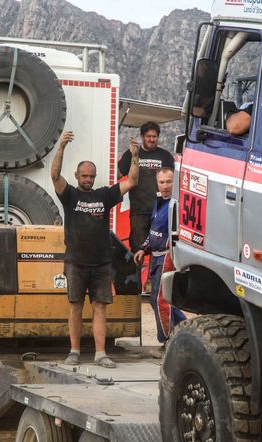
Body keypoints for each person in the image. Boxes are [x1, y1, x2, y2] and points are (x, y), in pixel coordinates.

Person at [51, 130, 139, 368]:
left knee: (100, 308)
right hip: (75, 262)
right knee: (75, 307)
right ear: (77, 176)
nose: (88, 180)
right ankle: (74, 351)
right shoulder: (69, 195)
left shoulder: (105, 195)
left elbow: (131, 181)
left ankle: (101, 354)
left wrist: (135, 156)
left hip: (101, 264)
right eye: (84, 176)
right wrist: (61, 147)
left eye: (91, 176)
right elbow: (54, 174)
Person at [133, 168, 186, 354]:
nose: (165, 186)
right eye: (162, 182)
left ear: (175, 181)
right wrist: (143, 248)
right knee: (158, 301)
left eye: (169, 181)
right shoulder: (159, 201)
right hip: (155, 257)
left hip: (167, 255)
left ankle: (168, 343)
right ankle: (184, 331)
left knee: (160, 300)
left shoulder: (176, 203)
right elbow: (153, 231)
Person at [118, 121, 175, 253]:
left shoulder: (165, 156)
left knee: (160, 247)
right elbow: (118, 174)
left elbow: (174, 181)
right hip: (139, 211)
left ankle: (154, 274)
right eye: (148, 136)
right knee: (138, 249)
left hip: (161, 211)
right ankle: (137, 274)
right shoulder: (132, 154)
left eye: (154, 136)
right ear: (142, 137)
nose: (151, 139)